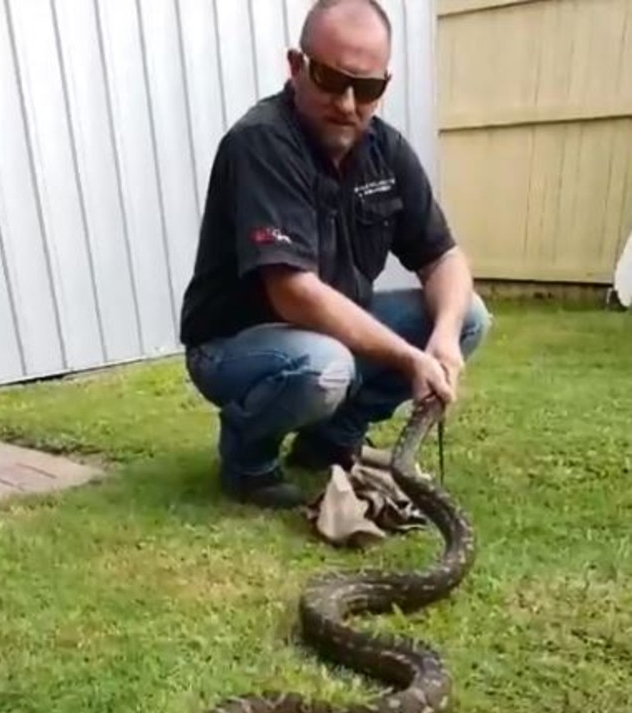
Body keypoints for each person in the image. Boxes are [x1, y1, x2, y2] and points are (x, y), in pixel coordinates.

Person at [180, 0, 490, 509]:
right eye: (330, 78)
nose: (347, 102)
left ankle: (329, 442)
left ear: (384, 85)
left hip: (327, 336)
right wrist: (408, 357)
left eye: (366, 88)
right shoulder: (260, 142)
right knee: (325, 366)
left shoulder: (386, 152)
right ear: (296, 65)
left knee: (468, 317)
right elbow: (292, 293)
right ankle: (246, 459)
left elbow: (443, 259)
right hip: (234, 343)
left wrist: (443, 338)